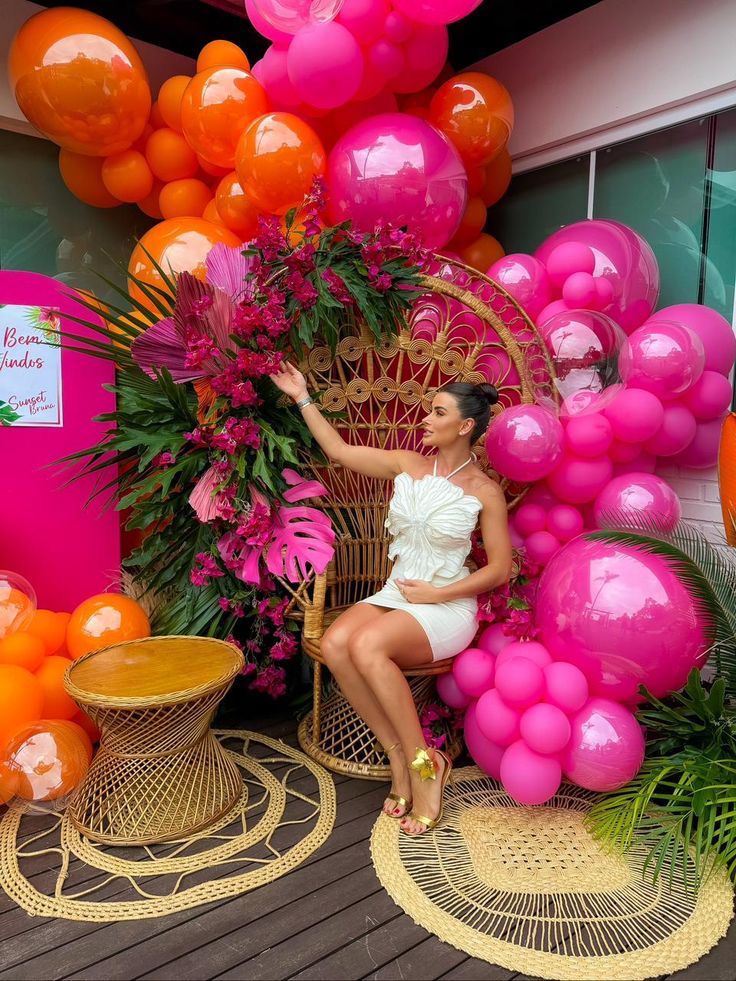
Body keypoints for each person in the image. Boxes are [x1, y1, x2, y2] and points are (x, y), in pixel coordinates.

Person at [270, 363, 513, 835]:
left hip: (444, 605)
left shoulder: (485, 492)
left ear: (464, 426)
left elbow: (499, 569)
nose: (425, 419)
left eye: (437, 412)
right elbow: (338, 451)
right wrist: (302, 395)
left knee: (366, 646)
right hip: (397, 592)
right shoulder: (407, 463)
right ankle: (399, 762)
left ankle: (426, 769)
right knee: (338, 645)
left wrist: (441, 591)